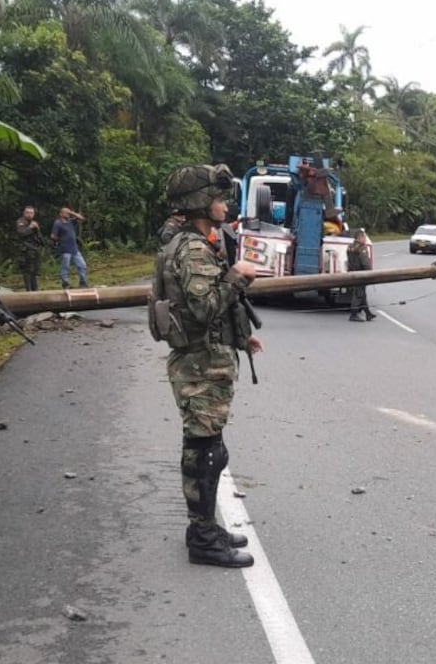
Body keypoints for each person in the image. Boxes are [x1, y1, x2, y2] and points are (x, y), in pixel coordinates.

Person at [157, 164, 262, 568]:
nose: (224, 205)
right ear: (201, 202)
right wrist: (237, 276)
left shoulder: (197, 242)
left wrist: (241, 336)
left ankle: (204, 527)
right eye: (218, 199)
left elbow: (207, 307)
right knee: (204, 452)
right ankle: (202, 538)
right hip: (200, 366)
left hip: (206, 359)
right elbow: (203, 307)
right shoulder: (194, 248)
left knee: (210, 448)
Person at [50, 207, 89, 289]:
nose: (68, 214)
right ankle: (65, 283)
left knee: (82, 265)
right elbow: (53, 236)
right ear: (61, 214)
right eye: (66, 212)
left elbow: (82, 219)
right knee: (65, 267)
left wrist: (72, 212)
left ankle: (83, 282)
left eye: (68, 213)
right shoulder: (58, 223)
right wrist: (61, 240)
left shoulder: (71, 221)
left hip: (74, 249)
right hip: (64, 249)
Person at [346, 229, 376, 322]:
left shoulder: (350, 247)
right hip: (361, 273)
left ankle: (368, 313)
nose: (365, 239)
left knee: (362, 294)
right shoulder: (362, 248)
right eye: (364, 237)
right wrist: (370, 273)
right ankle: (353, 314)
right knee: (358, 294)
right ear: (360, 237)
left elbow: (348, 261)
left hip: (353, 272)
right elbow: (365, 263)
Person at [15, 205, 44, 291]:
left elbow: (40, 239)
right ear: (24, 213)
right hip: (25, 251)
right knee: (28, 271)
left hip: (35, 250)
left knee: (34, 272)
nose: (29, 215)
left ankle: (35, 289)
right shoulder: (21, 222)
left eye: (31, 213)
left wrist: (37, 229)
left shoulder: (34, 223)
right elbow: (21, 234)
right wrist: (30, 227)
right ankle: (29, 290)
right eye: (27, 212)